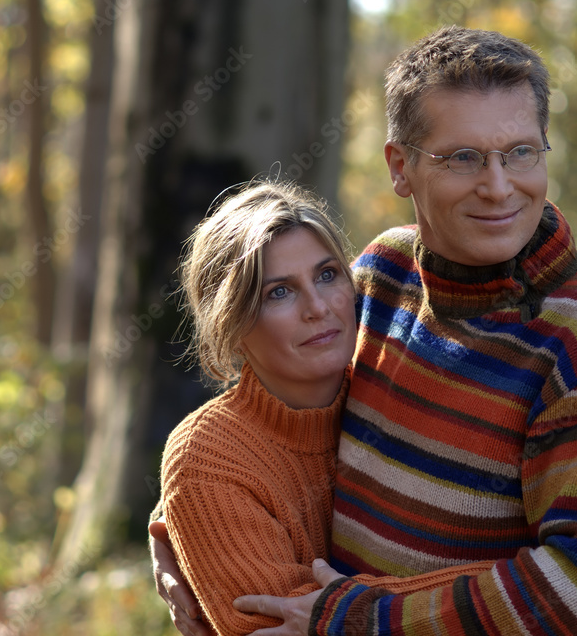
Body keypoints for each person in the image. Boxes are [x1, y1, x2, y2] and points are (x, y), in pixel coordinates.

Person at [154, 25, 577, 636]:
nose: (499, 185)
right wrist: (182, 521)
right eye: (463, 158)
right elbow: (280, 405)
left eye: (521, 152)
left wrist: (357, 617)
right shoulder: (385, 275)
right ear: (400, 167)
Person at [157, 181, 494, 636]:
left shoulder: (392, 391)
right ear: (230, 323)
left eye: (327, 275)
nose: (318, 307)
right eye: (279, 292)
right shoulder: (210, 459)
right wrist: (515, 586)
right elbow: (276, 624)